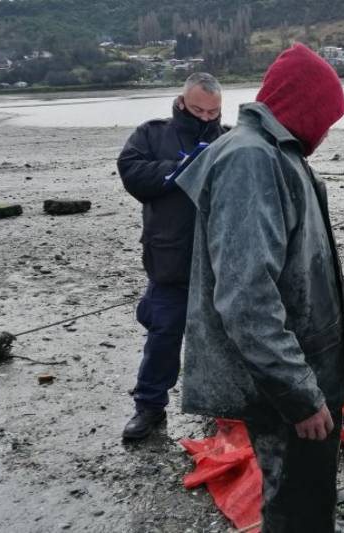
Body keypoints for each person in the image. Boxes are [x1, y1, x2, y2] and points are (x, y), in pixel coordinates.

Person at [175, 44, 344, 533]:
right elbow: (246, 296)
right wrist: (299, 394)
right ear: (303, 105)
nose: (326, 131)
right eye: (326, 118)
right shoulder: (250, 160)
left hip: (308, 369)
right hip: (288, 383)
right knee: (295, 508)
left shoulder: (278, 152)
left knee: (306, 495)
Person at [117, 73, 227, 441]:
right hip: (170, 260)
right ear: (182, 102)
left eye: (213, 111)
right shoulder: (151, 134)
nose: (206, 117)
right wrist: (176, 170)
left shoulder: (229, 138)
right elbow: (131, 173)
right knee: (164, 334)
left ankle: (225, 403)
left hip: (220, 263)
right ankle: (149, 407)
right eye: (198, 109)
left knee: (226, 336)